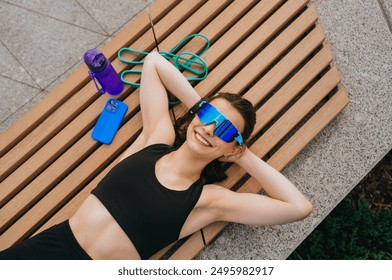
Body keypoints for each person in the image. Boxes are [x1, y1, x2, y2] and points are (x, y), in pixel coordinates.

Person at [0, 52, 313, 260]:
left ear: (232, 147)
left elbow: (298, 208)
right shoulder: (157, 139)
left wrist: (241, 153)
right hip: (50, 247)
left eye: (226, 130)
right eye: (208, 116)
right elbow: (153, 63)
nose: (210, 129)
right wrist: (202, 108)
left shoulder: (209, 200)